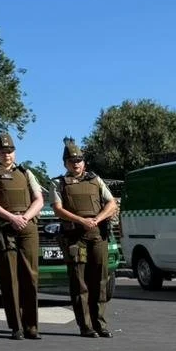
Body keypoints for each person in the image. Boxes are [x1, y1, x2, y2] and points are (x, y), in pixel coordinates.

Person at [0, 133, 45, 340]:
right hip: (3, 228)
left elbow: (39, 199)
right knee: (9, 278)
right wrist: (11, 217)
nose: (6, 155)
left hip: (27, 226)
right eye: (2, 151)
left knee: (30, 277)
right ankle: (16, 326)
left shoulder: (25, 172)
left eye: (9, 151)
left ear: (14, 152)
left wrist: (24, 217)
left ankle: (32, 326)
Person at [53, 138, 118, 338]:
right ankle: (86, 326)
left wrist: (97, 218)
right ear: (65, 163)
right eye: (72, 161)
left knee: (99, 280)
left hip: (97, 235)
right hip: (75, 238)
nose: (76, 164)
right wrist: (81, 220)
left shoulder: (95, 180)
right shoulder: (59, 183)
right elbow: (58, 209)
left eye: (79, 160)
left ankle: (101, 324)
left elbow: (112, 203)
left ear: (84, 162)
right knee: (79, 283)